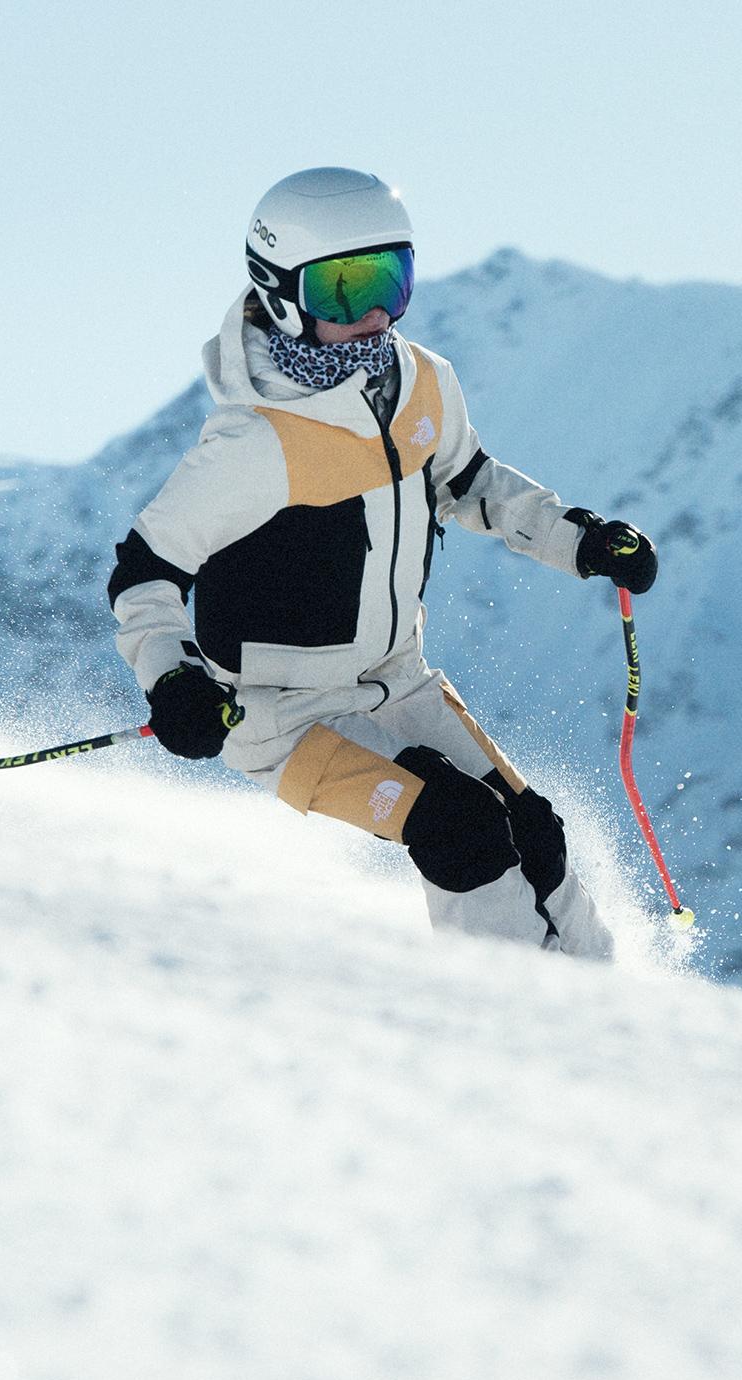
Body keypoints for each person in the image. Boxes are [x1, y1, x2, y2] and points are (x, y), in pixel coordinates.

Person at [107, 167, 657, 958]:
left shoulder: (421, 382)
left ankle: (615, 1019)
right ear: (281, 291)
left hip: (401, 680)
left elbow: (470, 483)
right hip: (281, 714)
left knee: (534, 837)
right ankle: (516, 1034)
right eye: (341, 289)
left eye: (389, 282)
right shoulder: (255, 442)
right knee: (461, 835)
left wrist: (581, 538)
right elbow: (144, 572)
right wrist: (174, 678)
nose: (370, 315)